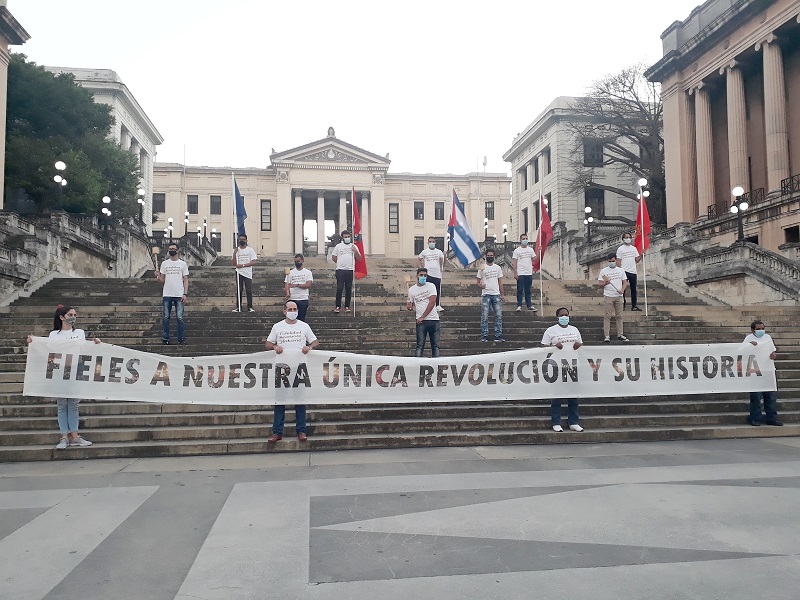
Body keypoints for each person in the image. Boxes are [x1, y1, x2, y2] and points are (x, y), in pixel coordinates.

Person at [26, 305, 101, 449]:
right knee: (62, 404)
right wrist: (34, 341)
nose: (73, 317)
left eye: (74, 314)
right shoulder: (54, 335)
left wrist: (96, 344)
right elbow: (47, 349)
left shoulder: (79, 332)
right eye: (70, 314)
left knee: (73, 403)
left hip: (75, 368)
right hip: (60, 369)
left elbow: (84, 348)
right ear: (62, 317)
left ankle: (75, 435)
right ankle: (64, 436)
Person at [265, 301, 320, 442]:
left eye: (295, 309)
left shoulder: (304, 326)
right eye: (290, 309)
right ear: (284, 311)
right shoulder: (277, 326)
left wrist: (309, 347)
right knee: (280, 401)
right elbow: (268, 343)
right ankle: (277, 432)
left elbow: (315, 342)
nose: (293, 311)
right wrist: (274, 347)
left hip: (300, 366)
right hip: (282, 367)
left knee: (300, 400)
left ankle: (301, 431)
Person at [541, 307, 584, 432]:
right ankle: (556, 422)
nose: (564, 317)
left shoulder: (574, 329)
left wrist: (578, 345)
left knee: (573, 395)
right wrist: (554, 346)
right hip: (557, 366)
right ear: (557, 317)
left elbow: (581, 344)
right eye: (562, 315)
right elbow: (543, 347)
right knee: (557, 395)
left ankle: (574, 422)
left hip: (573, 365)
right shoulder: (551, 330)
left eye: (566, 314)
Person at [743, 320, 782, 426]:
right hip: (754, 371)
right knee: (756, 396)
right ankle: (755, 418)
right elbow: (742, 352)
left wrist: (773, 355)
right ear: (752, 330)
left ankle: (771, 418)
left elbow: (772, 351)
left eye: (762, 329)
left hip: (768, 369)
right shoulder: (748, 339)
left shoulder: (768, 338)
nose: (761, 331)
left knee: (770, 396)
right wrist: (749, 345)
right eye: (758, 329)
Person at [155, 242, 189, 344]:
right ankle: (165, 338)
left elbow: (186, 279)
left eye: (173, 249)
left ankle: (181, 338)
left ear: (177, 250)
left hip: (179, 294)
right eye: (170, 249)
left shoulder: (182, 264)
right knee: (166, 317)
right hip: (167, 294)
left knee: (180, 318)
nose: (171, 250)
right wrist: (157, 276)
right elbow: (162, 280)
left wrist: (185, 293)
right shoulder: (165, 264)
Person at [406, 267, 440, 357]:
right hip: (421, 322)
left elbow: (432, 302)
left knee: (435, 346)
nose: (423, 277)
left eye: (425, 275)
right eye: (421, 275)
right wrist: (409, 307)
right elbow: (411, 306)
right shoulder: (411, 290)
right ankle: (418, 366)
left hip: (433, 320)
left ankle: (436, 366)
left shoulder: (431, 286)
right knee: (419, 346)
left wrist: (423, 316)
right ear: (417, 275)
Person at [596, 252, 629, 343]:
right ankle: (607, 335)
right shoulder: (604, 271)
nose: (612, 263)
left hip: (619, 296)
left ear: (616, 260)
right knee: (607, 316)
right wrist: (605, 283)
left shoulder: (621, 270)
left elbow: (625, 282)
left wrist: (622, 290)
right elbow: (599, 284)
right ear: (608, 261)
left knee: (619, 316)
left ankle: (620, 334)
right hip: (608, 296)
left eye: (613, 261)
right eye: (610, 261)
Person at [477, 249, 505, 342]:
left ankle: (498, 335)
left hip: (496, 294)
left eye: (491, 255)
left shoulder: (497, 268)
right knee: (484, 316)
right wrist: (481, 285)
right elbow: (478, 280)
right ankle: (484, 335)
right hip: (486, 294)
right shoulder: (482, 267)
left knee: (498, 315)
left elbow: (500, 282)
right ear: (485, 256)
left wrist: (502, 294)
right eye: (488, 255)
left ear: (494, 256)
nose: (490, 257)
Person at [332, 229, 362, 313]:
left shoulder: (353, 246)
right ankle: (338, 306)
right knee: (340, 288)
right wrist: (339, 263)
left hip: (350, 270)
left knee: (348, 288)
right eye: (345, 237)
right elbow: (334, 257)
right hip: (340, 270)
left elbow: (359, 258)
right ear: (342, 238)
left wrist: (355, 252)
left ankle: (347, 306)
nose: (347, 238)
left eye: (348, 237)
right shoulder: (338, 246)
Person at [418, 236, 445, 312]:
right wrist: (420, 268)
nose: (432, 243)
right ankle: (427, 305)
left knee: (437, 290)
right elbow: (419, 258)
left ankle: (437, 305)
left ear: (435, 243)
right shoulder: (425, 252)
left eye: (433, 241)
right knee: (428, 290)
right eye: (430, 241)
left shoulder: (439, 252)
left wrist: (443, 259)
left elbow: (442, 261)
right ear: (428, 242)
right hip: (428, 274)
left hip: (437, 274)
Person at [616, 233, 642, 311]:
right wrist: (619, 271)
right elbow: (618, 261)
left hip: (633, 271)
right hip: (624, 271)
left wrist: (641, 254)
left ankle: (634, 305)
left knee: (633, 289)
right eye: (626, 237)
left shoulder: (634, 248)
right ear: (623, 239)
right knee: (623, 289)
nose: (628, 239)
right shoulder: (620, 249)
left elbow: (637, 260)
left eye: (629, 237)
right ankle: (622, 305)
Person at [231, 234, 257, 313]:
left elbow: (254, 261)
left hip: (247, 273)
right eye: (240, 239)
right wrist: (234, 254)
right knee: (239, 290)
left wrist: (243, 265)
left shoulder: (250, 250)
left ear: (246, 240)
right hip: (239, 272)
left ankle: (250, 307)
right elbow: (233, 263)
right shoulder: (236, 250)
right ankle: (239, 307)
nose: (241, 240)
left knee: (248, 290)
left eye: (243, 239)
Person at [512, 233, 537, 312]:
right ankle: (519, 305)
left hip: (528, 273)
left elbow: (535, 259)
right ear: (520, 240)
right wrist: (515, 272)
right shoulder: (517, 251)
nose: (525, 240)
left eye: (526, 238)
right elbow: (514, 262)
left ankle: (529, 305)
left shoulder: (530, 250)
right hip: (521, 273)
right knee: (520, 290)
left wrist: (539, 251)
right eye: (523, 239)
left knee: (528, 290)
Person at [284, 253, 314, 322]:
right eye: (295, 262)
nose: (297, 263)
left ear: (302, 261)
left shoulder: (308, 272)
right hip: (292, 298)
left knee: (301, 318)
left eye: (298, 261)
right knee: (291, 318)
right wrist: (287, 293)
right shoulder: (290, 272)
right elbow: (287, 284)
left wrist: (297, 285)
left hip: (303, 298)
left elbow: (308, 285)